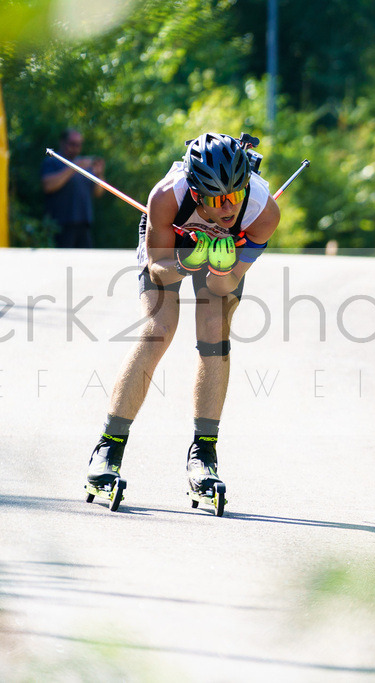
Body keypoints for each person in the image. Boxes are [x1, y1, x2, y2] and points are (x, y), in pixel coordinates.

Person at [85, 132, 280, 505]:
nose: (228, 208)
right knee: (158, 329)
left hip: (229, 251)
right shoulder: (165, 197)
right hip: (171, 246)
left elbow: (225, 286)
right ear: (195, 193)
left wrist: (220, 266)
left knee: (214, 329)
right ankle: (107, 448)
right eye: (217, 199)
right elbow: (158, 269)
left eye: (235, 195)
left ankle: (204, 455)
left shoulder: (262, 211)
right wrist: (187, 259)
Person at [41, 129, 105, 248]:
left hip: (83, 224)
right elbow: (48, 186)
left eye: (78, 144)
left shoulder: (85, 165)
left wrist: (99, 174)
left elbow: (98, 193)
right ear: (62, 142)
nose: (75, 148)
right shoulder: (53, 161)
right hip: (60, 224)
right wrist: (75, 167)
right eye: (72, 144)